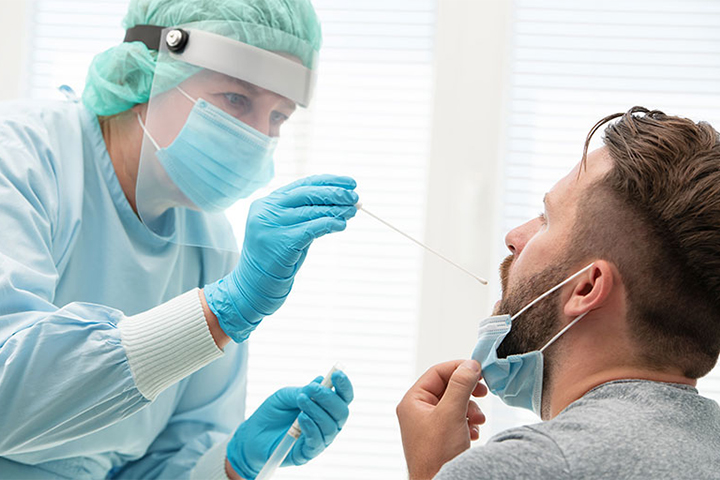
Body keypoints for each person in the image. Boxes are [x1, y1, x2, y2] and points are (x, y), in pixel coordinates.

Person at [0, 1, 356, 479]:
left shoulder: (210, 241)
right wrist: (219, 312)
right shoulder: (20, 159)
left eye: (278, 116)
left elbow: (155, 466)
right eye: (236, 99)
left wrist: (230, 463)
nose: (258, 136)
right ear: (150, 70)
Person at [396, 107, 720, 479]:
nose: (514, 237)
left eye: (546, 219)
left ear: (587, 287)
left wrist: (434, 471)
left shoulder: (525, 466)